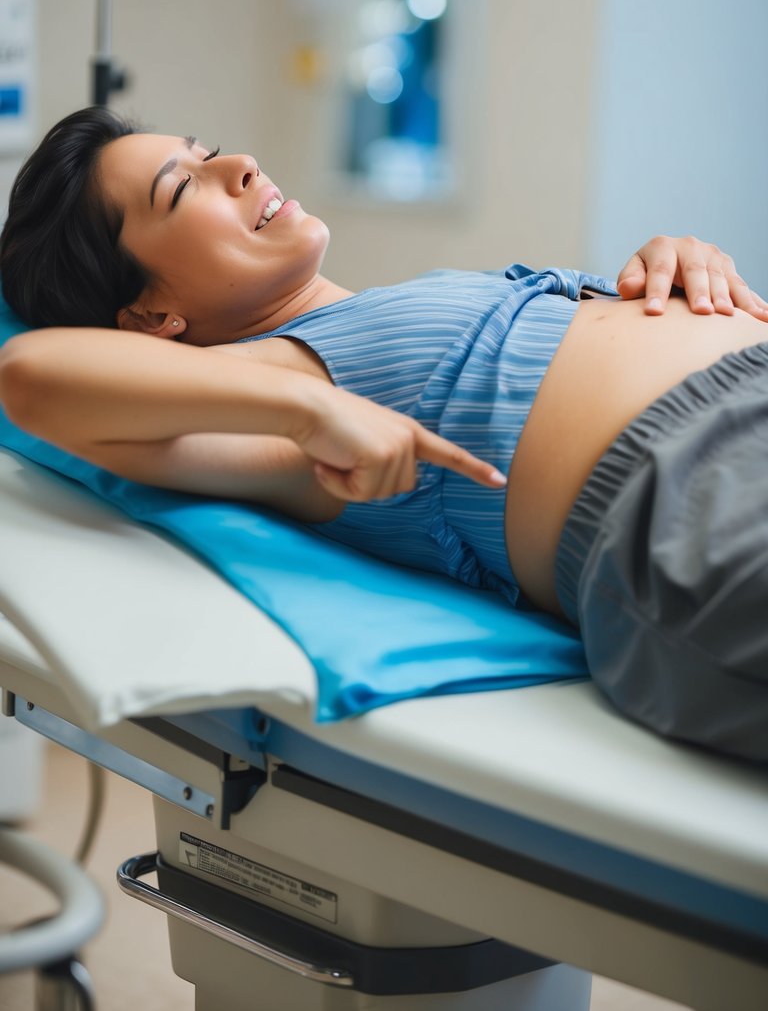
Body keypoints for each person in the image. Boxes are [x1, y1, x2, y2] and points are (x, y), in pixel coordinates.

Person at [1, 108, 767, 761]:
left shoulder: (374, 313)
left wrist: (676, 271)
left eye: (206, 154)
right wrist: (308, 411)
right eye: (181, 187)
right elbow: (29, 374)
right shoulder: (287, 401)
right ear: (144, 318)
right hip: (698, 496)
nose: (239, 164)